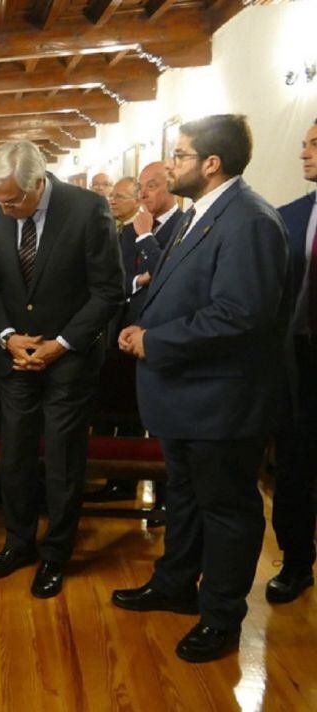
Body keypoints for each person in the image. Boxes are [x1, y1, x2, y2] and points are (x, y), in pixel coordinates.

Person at [112, 115, 291, 663]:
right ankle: (174, 584)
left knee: (227, 510)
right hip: (186, 397)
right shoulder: (203, 214)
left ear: (212, 164)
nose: (171, 165)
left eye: (181, 156)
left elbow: (239, 315)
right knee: (186, 499)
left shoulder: (250, 220)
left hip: (221, 399)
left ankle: (221, 618)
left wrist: (154, 340)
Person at [0, 141, 123, 598]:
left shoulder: (87, 210)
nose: (5, 210)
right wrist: (6, 338)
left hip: (70, 361)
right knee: (15, 454)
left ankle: (55, 554)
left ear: (38, 183)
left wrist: (60, 345)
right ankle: (19, 542)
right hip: (16, 358)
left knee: (62, 460)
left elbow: (107, 292)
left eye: (13, 201)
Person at [89, 161, 183, 504]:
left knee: (160, 419)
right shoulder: (129, 230)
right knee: (124, 408)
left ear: (172, 187)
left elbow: (173, 279)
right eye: (141, 187)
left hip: (162, 335)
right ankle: (120, 483)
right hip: (125, 330)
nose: (144, 194)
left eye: (152, 186)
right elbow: (119, 278)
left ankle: (164, 496)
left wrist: (146, 241)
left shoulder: (182, 227)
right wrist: (137, 280)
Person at [267, 119, 317, 604]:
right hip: (298, 358)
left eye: (314, 144)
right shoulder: (289, 216)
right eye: (303, 144)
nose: (304, 153)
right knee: (295, 466)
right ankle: (297, 562)